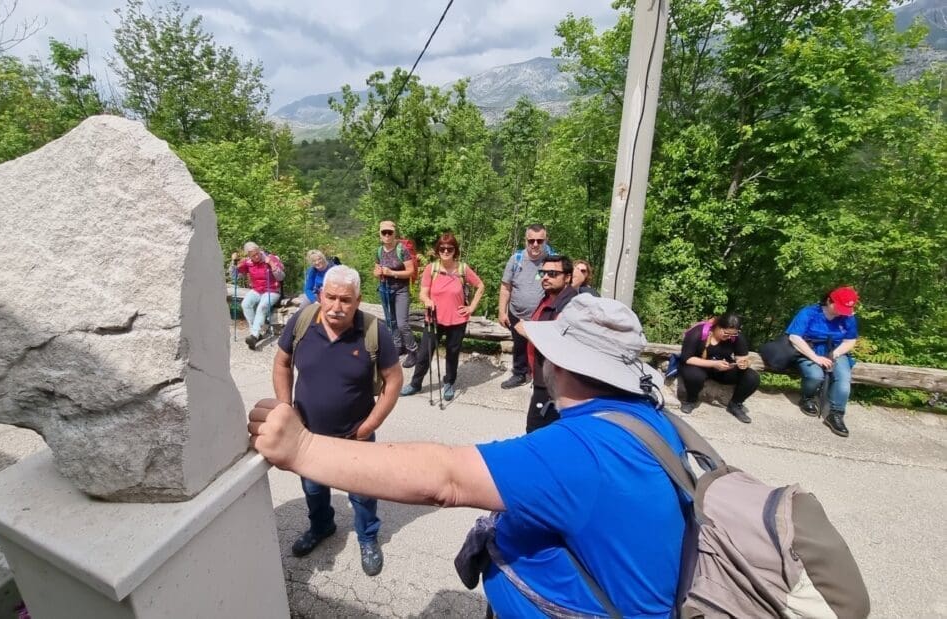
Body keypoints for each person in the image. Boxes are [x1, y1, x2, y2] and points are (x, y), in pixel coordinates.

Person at [250, 294, 682, 617]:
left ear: (559, 363)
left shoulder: (579, 451)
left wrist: (301, 447)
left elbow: (445, 478)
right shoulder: (653, 421)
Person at [272, 265, 403, 576]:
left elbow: (394, 380)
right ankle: (321, 526)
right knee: (313, 488)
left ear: (357, 300)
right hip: (308, 435)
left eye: (345, 300)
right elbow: (281, 363)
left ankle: (367, 537)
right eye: (330, 297)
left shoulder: (373, 331)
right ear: (320, 295)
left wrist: (370, 425)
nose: (336, 306)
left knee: (362, 493)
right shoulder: (303, 321)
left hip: (355, 436)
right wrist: (285, 408)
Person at [399, 233, 485, 402]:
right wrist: (427, 300)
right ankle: (415, 384)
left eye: (449, 249)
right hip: (434, 319)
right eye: (442, 248)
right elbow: (423, 293)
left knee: (452, 354)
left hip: (457, 320)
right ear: (438, 250)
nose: (445, 251)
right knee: (424, 354)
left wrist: (471, 308)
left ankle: (449, 383)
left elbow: (480, 286)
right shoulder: (431, 269)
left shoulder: (463, 269)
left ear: (455, 250)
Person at [514, 254, 577, 432]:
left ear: (567, 277)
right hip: (543, 376)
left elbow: (558, 340)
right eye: (543, 273)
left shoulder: (571, 305)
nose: (546, 277)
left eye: (552, 273)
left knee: (536, 431)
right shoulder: (549, 297)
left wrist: (527, 330)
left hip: (554, 383)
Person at [787, 286, 860, 438]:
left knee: (844, 377)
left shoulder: (848, 317)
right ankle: (807, 398)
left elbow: (850, 340)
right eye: (838, 307)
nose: (841, 312)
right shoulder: (809, 312)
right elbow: (794, 337)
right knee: (815, 375)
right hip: (808, 350)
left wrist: (836, 353)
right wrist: (815, 357)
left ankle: (836, 413)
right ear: (828, 300)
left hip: (836, 351)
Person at [677, 313, 759, 423]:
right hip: (697, 365)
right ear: (718, 326)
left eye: (733, 334)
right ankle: (691, 400)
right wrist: (713, 364)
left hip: (722, 369)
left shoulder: (736, 337)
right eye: (726, 333)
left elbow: (743, 357)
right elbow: (686, 358)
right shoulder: (697, 333)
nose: (729, 337)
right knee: (695, 376)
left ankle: (735, 404)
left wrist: (743, 363)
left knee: (752, 377)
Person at [498, 224, 552, 389]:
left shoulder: (552, 261)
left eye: (539, 240)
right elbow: (505, 287)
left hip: (543, 315)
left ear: (546, 240)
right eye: (531, 240)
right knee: (519, 346)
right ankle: (520, 374)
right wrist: (502, 311)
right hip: (517, 312)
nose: (535, 244)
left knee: (544, 347)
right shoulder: (516, 259)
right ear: (526, 240)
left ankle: (543, 379)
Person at [374, 220, 418, 368]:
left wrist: (392, 273)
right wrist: (377, 273)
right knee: (390, 321)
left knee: (402, 324)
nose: (387, 235)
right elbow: (375, 270)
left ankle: (413, 351)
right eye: (384, 232)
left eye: (390, 232)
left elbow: (410, 271)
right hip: (385, 289)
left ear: (394, 234)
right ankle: (398, 346)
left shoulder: (402, 249)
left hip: (401, 290)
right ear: (380, 234)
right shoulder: (379, 251)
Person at [231, 241, 285, 350]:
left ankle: (254, 335)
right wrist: (234, 263)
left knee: (262, 307)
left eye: (257, 253)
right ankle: (255, 333)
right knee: (245, 304)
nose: (256, 256)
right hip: (257, 290)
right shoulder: (248, 262)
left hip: (272, 290)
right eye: (253, 255)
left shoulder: (271, 258)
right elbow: (234, 276)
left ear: (259, 250)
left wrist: (271, 264)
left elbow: (281, 277)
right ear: (249, 256)